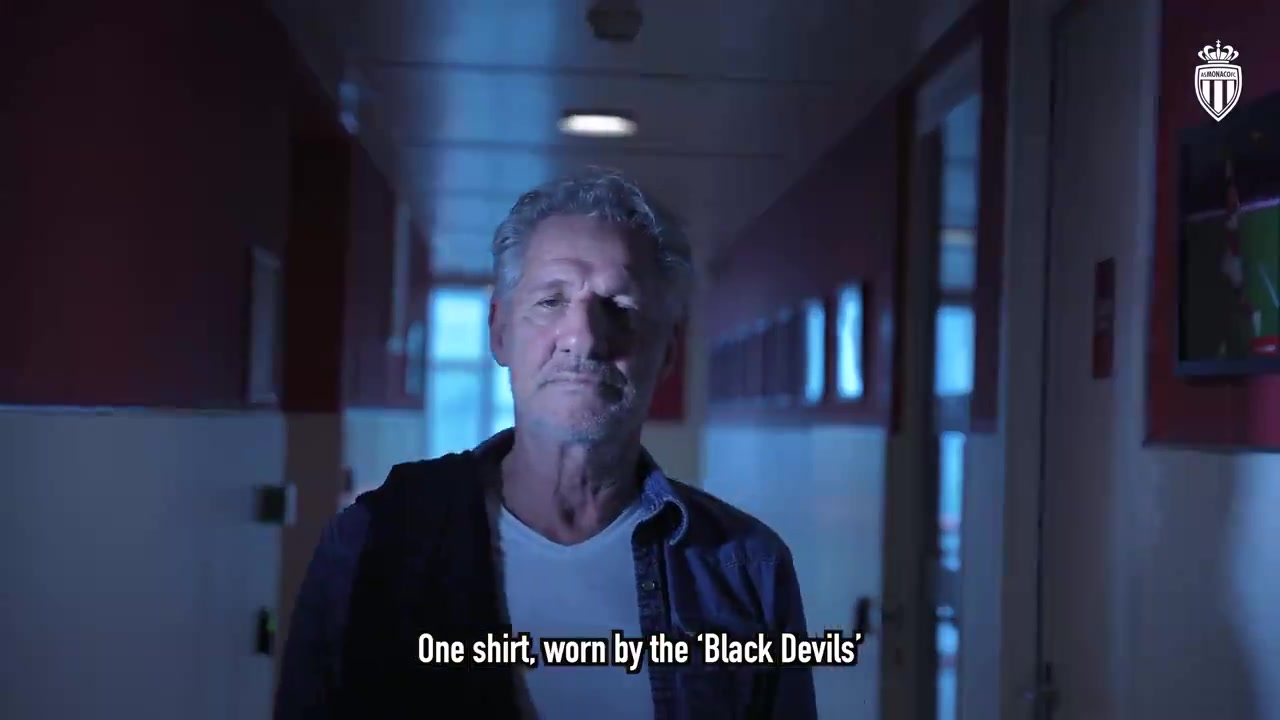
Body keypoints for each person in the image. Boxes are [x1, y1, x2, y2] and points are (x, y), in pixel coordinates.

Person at [274, 167, 818, 719]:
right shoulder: (373, 541)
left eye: (620, 306)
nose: (583, 337)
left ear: (668, 353)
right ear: (499, 331)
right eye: (551, 301)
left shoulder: (748, 570)